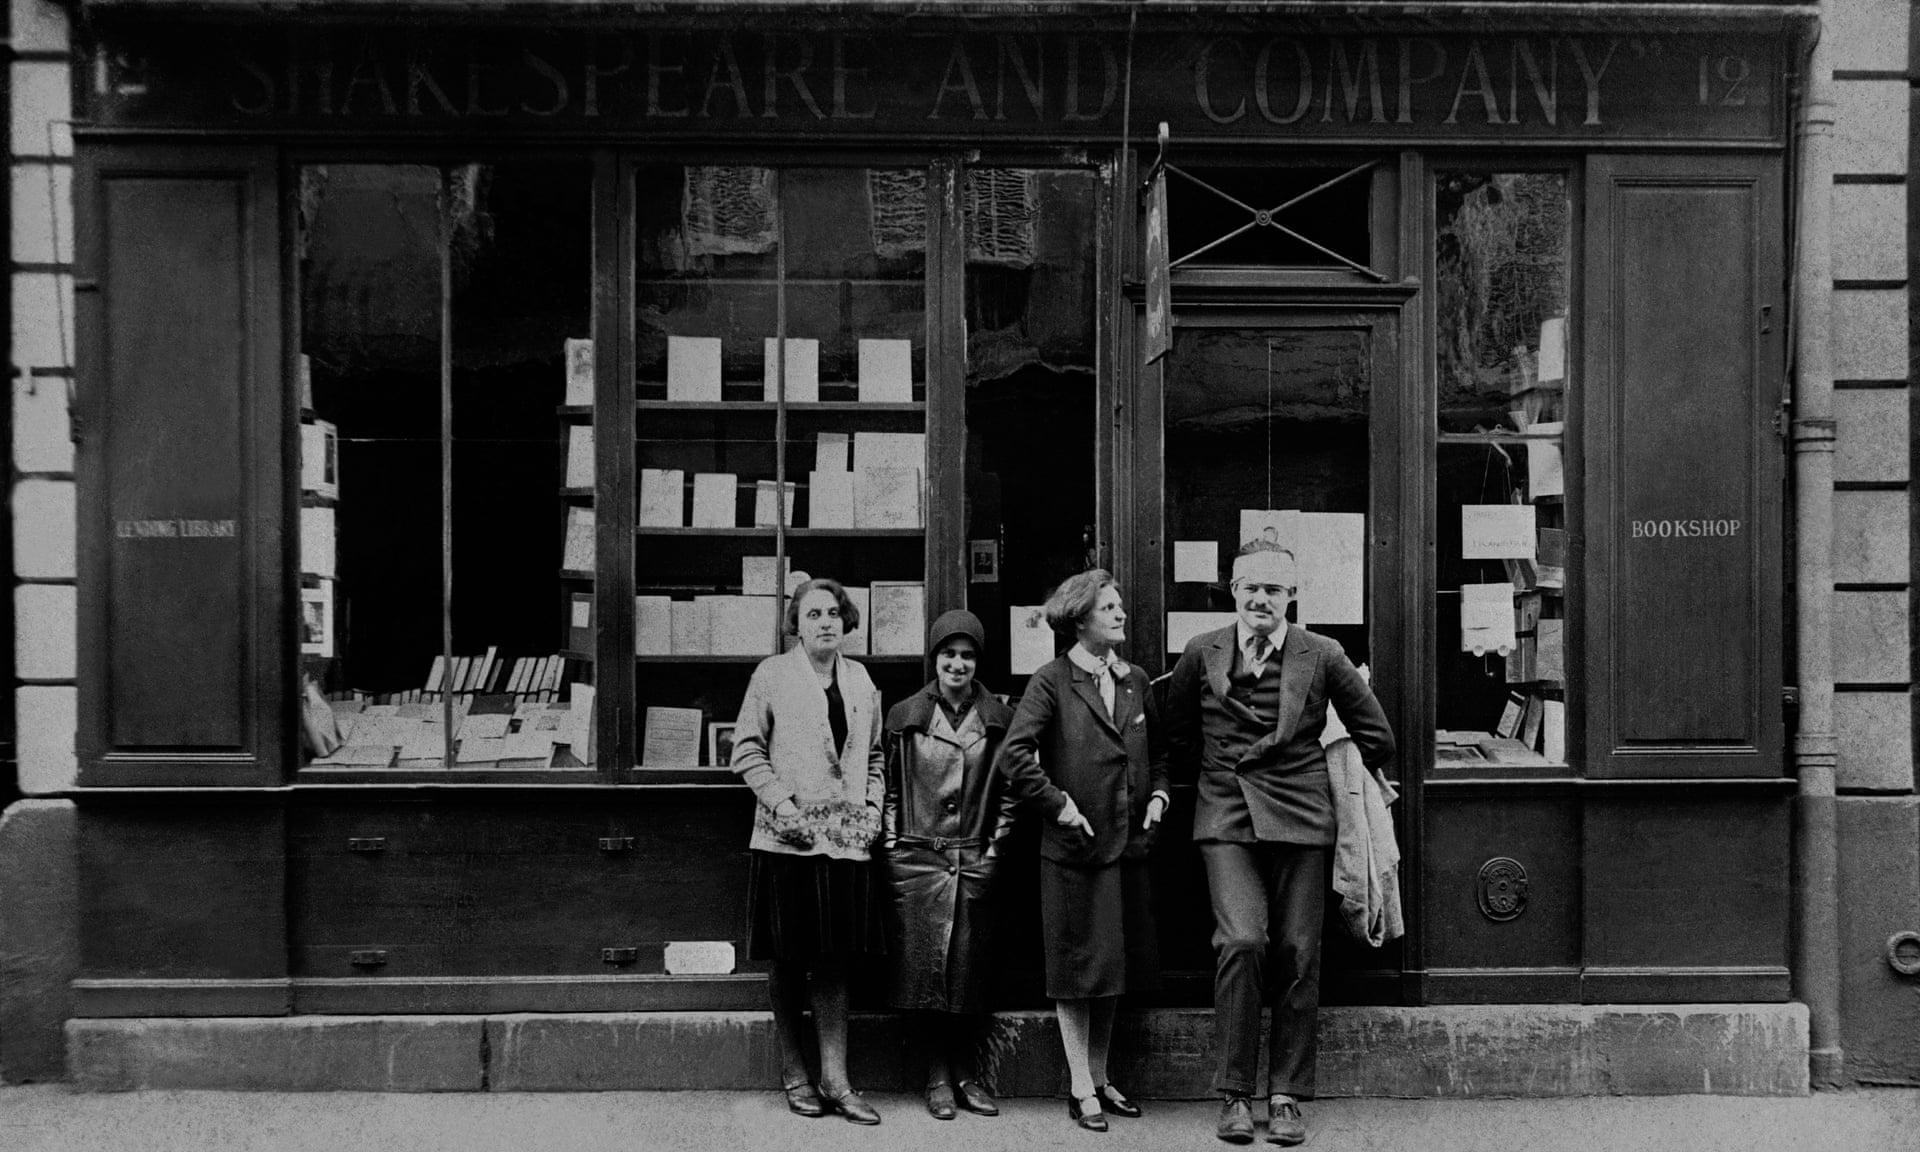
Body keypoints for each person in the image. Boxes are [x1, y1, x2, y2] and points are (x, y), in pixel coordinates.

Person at [1164, 540, 1396, 1146]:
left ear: (1292, 595)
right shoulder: (1200, 651)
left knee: (1297, 952)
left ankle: (1287, 1095)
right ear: (1233, 591)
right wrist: (1218, 776)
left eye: (1274, 588)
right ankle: (1236, 1094)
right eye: (1250, 586)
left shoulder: (1322, 654)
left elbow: (1376, 735)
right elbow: (1177, 733)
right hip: (1227, 814)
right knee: (1242, 941)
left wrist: (1339, 784)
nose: (1260, 598)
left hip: (1300, 814)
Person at [995, 569, 1167, 1132]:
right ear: (1080, 620)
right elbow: (1016, 758)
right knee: (1077, 970)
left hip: (1127, 850)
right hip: (1074, 851)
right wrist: (1062, 806)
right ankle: (1078, 1085)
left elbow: (1159, 753)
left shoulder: (1136, 679)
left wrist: (1159, 796)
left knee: (1113, 967)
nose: (1120, 614)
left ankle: (1101, 1076)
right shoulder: (1051, 681)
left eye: (1119, 605)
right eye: (1109, 607)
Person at [730, 578, 887, 1125]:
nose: (825, 622)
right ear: (796, 624)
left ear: (847, 623)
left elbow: (874, 758)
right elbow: (746, 749)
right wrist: (781, 806)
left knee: (835, 960)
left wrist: (872, 810)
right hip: (786, 841)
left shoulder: (862, 680)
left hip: (845, 845)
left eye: (834, 613)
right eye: (813, 613)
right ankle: (795, 1073)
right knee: (790, 958)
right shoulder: (772, 675)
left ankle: (837, 1081)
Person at [879, 609, 1017, 1120]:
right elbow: (890, 788)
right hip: (917, 860)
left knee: (968, 974)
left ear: (978, 663)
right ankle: (936, 1075)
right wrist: (894, 846)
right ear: (934, 659)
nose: (956, 665)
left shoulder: (1000, 719)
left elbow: (1010, 793)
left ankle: (965, 1072)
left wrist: (995, 850)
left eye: (966, 656)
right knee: (925, 976)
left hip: (975, 857)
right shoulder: (904, 716)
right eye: (948, 655)